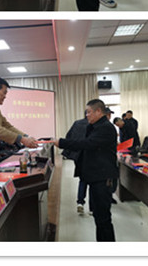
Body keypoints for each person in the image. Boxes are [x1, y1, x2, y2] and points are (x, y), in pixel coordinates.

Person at [54, 99, 118, 241]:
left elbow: (87, 143)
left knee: (103, 218)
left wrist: (62, 142)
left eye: (89, 112)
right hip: (95, 177)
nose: (87, 115)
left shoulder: (105, 128)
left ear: (98, 111)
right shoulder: (95, 126)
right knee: (98, 217)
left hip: (102, 178)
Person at [62, 115, 89, 214]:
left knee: (83, 179)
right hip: (89, 155)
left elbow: (68, 136)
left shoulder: (77, 123)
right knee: (93, 181)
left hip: (77, 155)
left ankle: (80, 202)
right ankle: (92, 208)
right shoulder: (94, 124)